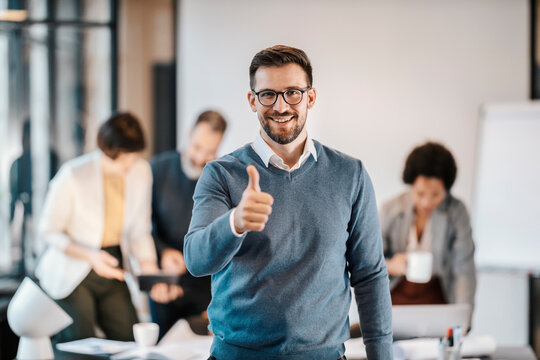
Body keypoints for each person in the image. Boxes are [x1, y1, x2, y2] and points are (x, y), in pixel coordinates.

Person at [184, 45, 393, 360]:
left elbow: (370, 275)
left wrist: (382, 356)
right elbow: (196, 259)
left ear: (310, 97)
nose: (280, 106)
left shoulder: (350, 174)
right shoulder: (221, 174)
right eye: (268, 94)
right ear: (252, 100)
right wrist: (235, 223)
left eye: (292, 93)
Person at [35, 113, 171, 343]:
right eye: (126, 157)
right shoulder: (74, 174)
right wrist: (91, 256)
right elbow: (48, 230)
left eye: (135, 156)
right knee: (81, 344)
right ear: (109, 150)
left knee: (130, 339)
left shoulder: (141, 171)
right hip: (73, 265)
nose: (131, 163)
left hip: (114, 261)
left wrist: (150, 272)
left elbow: (140, 229)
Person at [150, 110, 227, 338]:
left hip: (205, 290)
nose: (201, 157)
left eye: (210, 151)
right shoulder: (157, 170)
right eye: (197, 147)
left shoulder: (220, 177)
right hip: (164, 283)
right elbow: (143, 228)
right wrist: (163, 254)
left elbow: (225, 238)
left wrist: (221, 301)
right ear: (188, 133)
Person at [380, 142, 476, 307]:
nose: (427, 202)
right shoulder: (390, 209)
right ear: (411, 185)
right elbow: (368, 261)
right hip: (395, 293)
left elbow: (463, 268)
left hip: (437, 295)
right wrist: (390, 265)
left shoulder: (456, 212)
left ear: (446, 190)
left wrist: (463, 316)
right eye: (420, 193)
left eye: (436, 195)